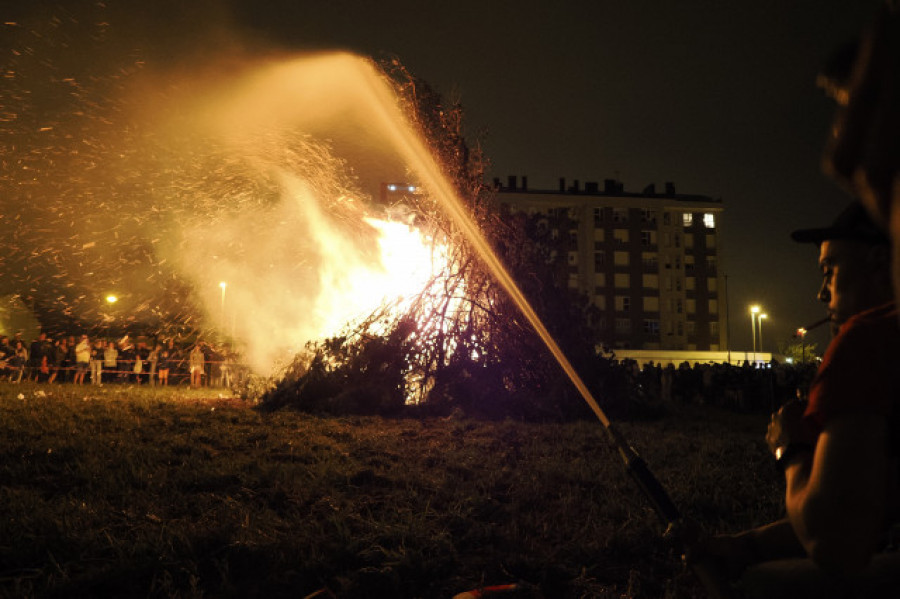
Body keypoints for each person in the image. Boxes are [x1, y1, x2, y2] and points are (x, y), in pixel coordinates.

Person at [701, 203, 900, 597]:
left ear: (880, 262)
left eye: (830, 271)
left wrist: (789, 448)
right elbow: (874, 506)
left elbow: (834, 541)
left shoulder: (866, 342)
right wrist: (748, 544)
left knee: (758, 586)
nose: (821, 292)